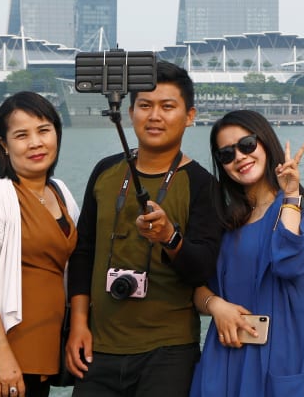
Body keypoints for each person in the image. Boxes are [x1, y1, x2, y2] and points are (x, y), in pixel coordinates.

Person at [65, 61, 223, 396]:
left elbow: (203, 266)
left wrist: (170, 237)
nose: (155, 116)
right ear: (129, 111)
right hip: (99, 345)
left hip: (169, 351)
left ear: (190, 115)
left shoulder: (202, 184)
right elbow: (83, 253)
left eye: (168, 107)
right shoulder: (105, 172)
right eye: (145, 106)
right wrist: (78, 324)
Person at [0, 91, 80, 397]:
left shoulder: (60, 192)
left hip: (42, 352)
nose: (36, 142)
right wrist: (1, 355)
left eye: (44, 130)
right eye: (22, 135)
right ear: (4, 145)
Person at [189, 109, 304, 397]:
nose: (239, 156)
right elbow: (196, 288)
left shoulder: (298, 208)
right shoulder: (225, 219)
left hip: (277, 361)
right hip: (224, 358)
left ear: (265, 143)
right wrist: (215, 306)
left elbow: (289, 264)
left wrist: (290, 196)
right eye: (226, 154)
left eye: (247, 145)